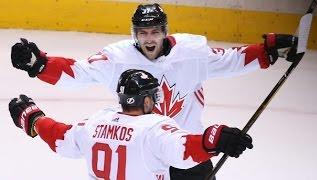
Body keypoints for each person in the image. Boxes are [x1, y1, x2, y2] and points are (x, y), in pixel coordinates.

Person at [10, 3, 301, 179]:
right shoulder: (118, 58)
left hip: (189, 148)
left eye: (155, 32)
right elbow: (79, 71)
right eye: (142, 33)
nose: (149, 39)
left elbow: (231, 60)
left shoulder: (191, 53)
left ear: (165, 31)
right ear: (134, 33)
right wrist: (40, 64)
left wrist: (267, 51)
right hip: (143, 153)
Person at [8, 69, 253, 180]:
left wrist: (33, 118)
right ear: (147, 100)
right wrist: (217, 138)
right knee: (199, 171)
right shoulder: (154, 128)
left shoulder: (95, 123)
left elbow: (59, 137)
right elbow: (185, 151)